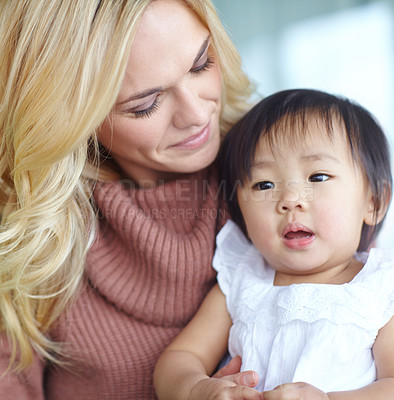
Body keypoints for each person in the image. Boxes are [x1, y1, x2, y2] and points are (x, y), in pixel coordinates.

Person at [0, 1, 257, 398]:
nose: (195, 113)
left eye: (201, 63)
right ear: (70, 118)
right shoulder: (33, 241)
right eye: (145, 104)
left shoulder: (281, 165)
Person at [153, 89, 394, 399]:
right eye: (264, 184)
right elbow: (180, 358)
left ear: (374, 202)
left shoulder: (379, 290)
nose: (290, 200)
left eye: (318, 177)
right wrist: (198, 388)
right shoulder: (243, 281)